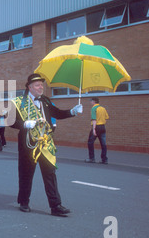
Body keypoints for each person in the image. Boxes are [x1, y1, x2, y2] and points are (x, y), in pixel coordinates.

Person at [10, 73, 83, 216]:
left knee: (50, 174)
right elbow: (8, 121)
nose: (41, 87)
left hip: (46, 143)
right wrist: (24, 124)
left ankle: (56, 206)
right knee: (26, 174)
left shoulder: (45, 101)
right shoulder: (19, 102)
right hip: (28, 144)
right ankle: (24, 202)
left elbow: (58, 114)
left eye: (42, 84)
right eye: (37, 85)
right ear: (30, 87)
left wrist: (73, 111)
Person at [85, 97, 109, 164]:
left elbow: (94, 119)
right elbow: (106, 118)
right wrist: (102, 123)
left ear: (94, 101)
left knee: (90, 142)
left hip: (96, 126)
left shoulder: (93, 108)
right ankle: (104, 159)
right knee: (103, 144)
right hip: (103, 127)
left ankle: (91, 158)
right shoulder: (103, 108)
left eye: (91, 101)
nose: (90, 102)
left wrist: (94, 129)